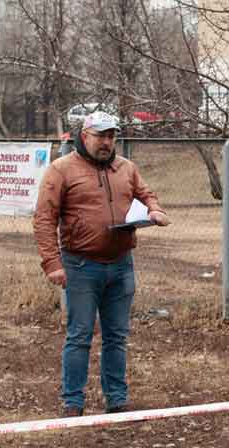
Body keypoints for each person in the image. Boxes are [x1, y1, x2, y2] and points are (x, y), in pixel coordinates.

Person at [33, 111, 170, 417]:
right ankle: (72, 402)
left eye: (111, 136)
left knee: (117, 336)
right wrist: (52, 263)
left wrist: (155, 210)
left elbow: (146, 193)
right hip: (81, 266)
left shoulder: (126, 168)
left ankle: (117, 399)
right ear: (85, 136)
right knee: (80, 335)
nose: (107, 142)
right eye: (101, 136)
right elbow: (44, 219)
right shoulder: (61, 170)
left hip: (121, 265)